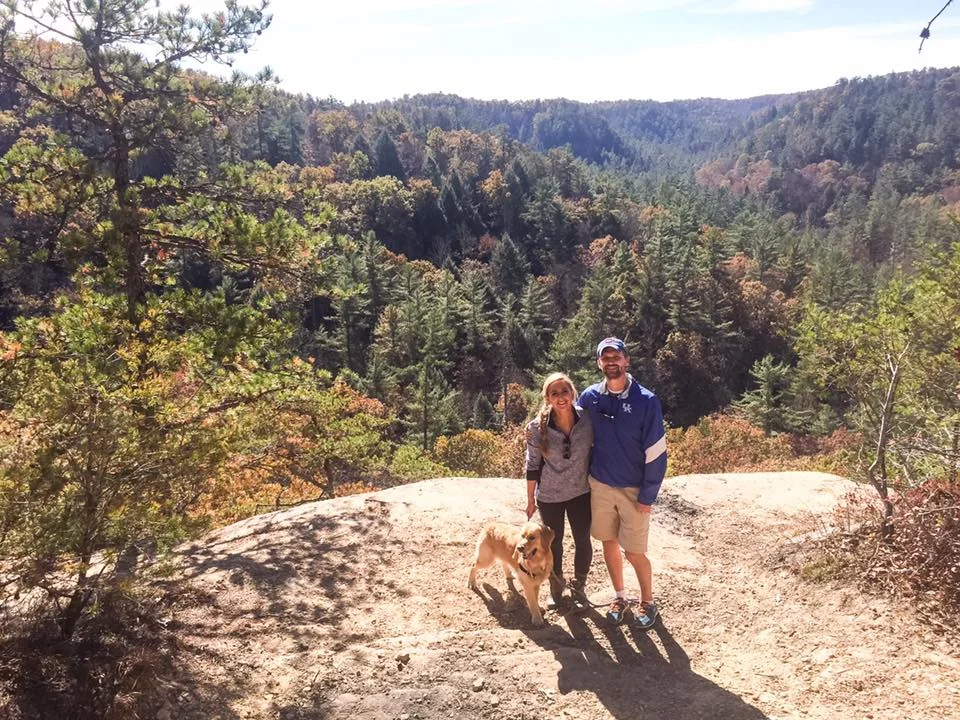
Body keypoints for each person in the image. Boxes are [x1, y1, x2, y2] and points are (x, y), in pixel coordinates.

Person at [579, 337, 667, 630]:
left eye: (616, 356)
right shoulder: (590, 397)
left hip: (634, 488)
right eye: (605, 358)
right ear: (599, 363)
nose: (611, 362)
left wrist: (648, 495)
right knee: (609, 542)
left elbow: (656, 452)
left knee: (634, 551)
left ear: (626, 360)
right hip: (601, 485)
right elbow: (572, 429)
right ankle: (619, 597)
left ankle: (648, 602)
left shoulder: (646, 400)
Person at [524, 372, 594, 611]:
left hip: (581, 492)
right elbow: (532, 465)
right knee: (553, 544)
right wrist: (530, 499)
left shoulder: (587, 420)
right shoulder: (536, 428)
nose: (561, 397)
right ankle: (556, 588)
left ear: (573, 393)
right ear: (547, 398)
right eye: (555, 393)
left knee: (582, 540)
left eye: (565, 391)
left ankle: (579, 588)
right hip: (550, 496)